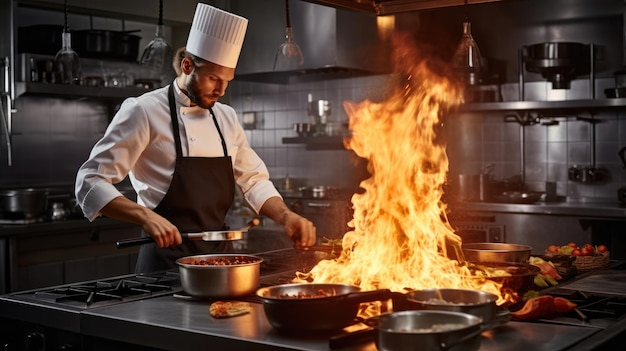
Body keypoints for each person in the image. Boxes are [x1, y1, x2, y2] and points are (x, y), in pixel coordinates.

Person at [75, 3, 316, 273]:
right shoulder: (143, 110)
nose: (221, 90)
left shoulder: (225, 116)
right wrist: (145, 217)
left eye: (227, 80)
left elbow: (254, 180)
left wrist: (287, 217)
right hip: (162, 267)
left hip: (219, 265)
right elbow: (89, 181)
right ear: (187, 66)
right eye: (213, 78)